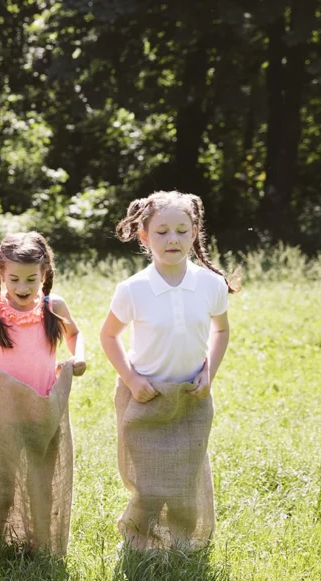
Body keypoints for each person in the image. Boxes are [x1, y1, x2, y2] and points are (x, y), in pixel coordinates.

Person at [99, 191, 238, 550]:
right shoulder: (134, 289)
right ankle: (137, 539)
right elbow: (109, 336)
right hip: (146, 394)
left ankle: (182, 542)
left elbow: (221, 329)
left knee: (185, 476)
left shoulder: (210, 284)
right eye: (161, 232)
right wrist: (132, 379)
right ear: (144, 236)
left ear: (194, 233)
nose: (172, 239)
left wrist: (210, 372)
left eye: (181, 230)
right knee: (148, 481)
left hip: (192, 393)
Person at [0, 231, 85, 554]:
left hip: (44, 410)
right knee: (2, 484)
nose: (23, 288)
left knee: (41, 482)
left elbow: (75, 335)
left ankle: (41, 545)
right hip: (6, 413)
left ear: (45, 274)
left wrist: (78, 355)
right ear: (0, 274)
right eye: (13, 279)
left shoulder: (52, 307)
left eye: (31, 279)